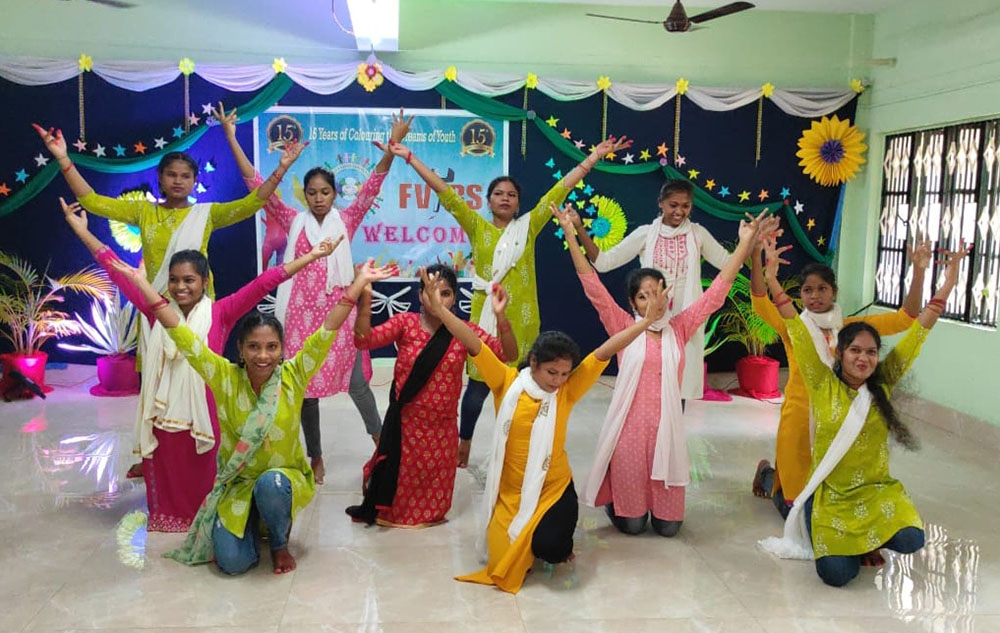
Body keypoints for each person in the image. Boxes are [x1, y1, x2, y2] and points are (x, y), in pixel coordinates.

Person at [61, 197, 339, 531]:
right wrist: (83, 233)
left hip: (208, 407)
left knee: (205, 466)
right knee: (168, 464)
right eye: (175, 280)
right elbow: (115, 270)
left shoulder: (220, 312)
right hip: (163, 407)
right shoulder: (156, 309)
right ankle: (168, 517)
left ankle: (208, 517)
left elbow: (264, 283)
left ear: (204, 282)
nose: (181, 287)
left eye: (189, 280)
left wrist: (311, 256)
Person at [128, 260, 396, 574]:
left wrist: (358, 284)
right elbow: (180, 333)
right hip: (239, 485)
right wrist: (143, 285)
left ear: (282, 350)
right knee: (232, 563)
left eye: (271, 347)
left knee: (271, 484)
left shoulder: (294, 375)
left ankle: (279, 541)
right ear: (240, 349)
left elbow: (328, 329)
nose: (263, 356)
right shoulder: (224, 376)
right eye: (253, 347)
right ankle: (253, 523)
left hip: (283, 480)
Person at [385, 133, 633, 467]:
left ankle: (520, 442)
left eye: (511, 195)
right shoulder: (476, 226)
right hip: (483, 316)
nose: (505, 198)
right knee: (476, 390)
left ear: (518, 203)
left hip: (523, 318)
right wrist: (410, 157)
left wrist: (593, 158)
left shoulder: (528, 226)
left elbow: (559, 190)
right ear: (488, 201)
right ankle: (465, 444)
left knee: (522, 386)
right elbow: (444, 192)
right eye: (499, 194)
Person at [212, 103, 413, 483]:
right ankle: (315, 456)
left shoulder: (347, 219)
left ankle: (382, 446)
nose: (319, 198)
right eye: (312, 192)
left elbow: (372, 185)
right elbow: (257, 185)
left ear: (335, 194)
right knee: (305, 392)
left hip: (339, 315)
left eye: (325, 192)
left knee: (357, 384)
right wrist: (230, 137)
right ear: (303, 195)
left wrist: (392, 147)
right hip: (299, 320)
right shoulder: (293, 220)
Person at [434, 270, 668, 594]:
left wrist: (644, 324)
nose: (558, 380)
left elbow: (605, 350)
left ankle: (552, 534)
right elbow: (472, 343)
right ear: (533, 362)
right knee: (501, 566)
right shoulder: (507, 382)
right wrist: (443, 311)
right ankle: (526, 535)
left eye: (564, 373)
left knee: (552, 549)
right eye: (551, 372)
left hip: (553, 488)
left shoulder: (566, 391)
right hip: (511, 496)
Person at [557, 204, 776, 537]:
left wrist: (746, 244)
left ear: (668, 297)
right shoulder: (622, 326)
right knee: (631, 526)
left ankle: (653, 505)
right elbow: (592, 285)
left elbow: (718, 290)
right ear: (633, 303)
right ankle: (615, 498)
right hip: (629, 434)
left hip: (667, 435)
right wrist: (571, 234)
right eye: (644, 296)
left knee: (669, 529)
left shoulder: (681, 326)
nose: (653, 301)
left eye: (658, 293)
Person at [759, 242, 970, 587]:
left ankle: (866, 537)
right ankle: (775, 482)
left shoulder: (882, 381)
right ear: (839, 354)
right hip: (831, 497)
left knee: (911, 539)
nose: (863, 359)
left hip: (872, 493)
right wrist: (770, 277)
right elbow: (794, 326)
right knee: (836, 575)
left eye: (871, 352)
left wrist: (947, 283)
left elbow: (918, 330)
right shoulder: (821, 381)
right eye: (854, 351)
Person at [750, 235, 931, 518]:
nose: (815, 295)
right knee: (795, 510)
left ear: (833, 291)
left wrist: (919, 272)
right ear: (800, 296)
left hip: (838, 419)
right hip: (799, 419)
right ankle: (766, 474)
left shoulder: (852, 330)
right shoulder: (793, 326)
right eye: (808, 290)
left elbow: (905, 318)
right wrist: (757, 260)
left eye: (822, 288)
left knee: (834, 494)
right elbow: (760, 302)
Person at [34, 123, 302, 298]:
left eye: (185, 176)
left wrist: (282, 169)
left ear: (193, 181)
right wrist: (63, 158)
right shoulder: (143, 211)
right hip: (156, 300)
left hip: (199, 304)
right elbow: (92, 201)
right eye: (171, 175)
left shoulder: (207, 214)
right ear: (160, 178)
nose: (178, 180)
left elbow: (253, 202)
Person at [346, 264, 517, 528]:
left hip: (442, 431)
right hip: (406, 429)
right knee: (393, 497)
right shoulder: (406, 324)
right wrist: (366, 297)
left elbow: (507, 355)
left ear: (455, 298)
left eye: (445, 293)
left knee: (434, 505)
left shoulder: (462, 332)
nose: (438, 299)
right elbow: (363, 340)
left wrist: (501, 316)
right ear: (420, 295)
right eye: (431, 292)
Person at [574, 178, 729, 401]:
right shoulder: (646, 233)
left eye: (685, 206)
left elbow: (727, 263)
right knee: (650, 380)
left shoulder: (698, 234)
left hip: (686, 320)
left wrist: (752, 242)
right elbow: (604, 262)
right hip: (650, 320)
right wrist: (578, 228)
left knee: (679, 384)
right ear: (660, 203)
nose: (679, 211)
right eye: (673, 205)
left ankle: (671, 429)